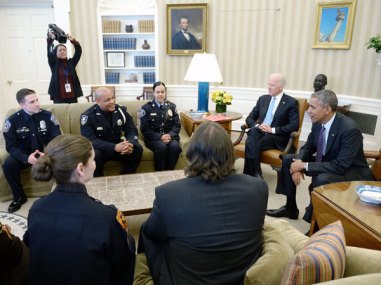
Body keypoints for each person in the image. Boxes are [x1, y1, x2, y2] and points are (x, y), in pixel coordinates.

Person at [137, 121, 268, 285]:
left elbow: (152, 233)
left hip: (185, 279)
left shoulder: (168, 194)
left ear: (191, 153)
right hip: (239, 277)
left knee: (145, 229)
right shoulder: (259, 187)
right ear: (229, 152)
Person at [24, 134, 136, 284]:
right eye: (93, 160)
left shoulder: (37, 208)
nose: (95, 164)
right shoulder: (107, 217)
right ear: (81, 169)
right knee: (129, 241)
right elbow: (121, 265)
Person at [266, 89, 374, 222]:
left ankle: (314, 221)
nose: (308, 110)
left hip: (351, 171)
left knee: (322, 178)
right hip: (329, 163)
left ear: (327, 109)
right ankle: (290, 208)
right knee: (289, 159)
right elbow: (308, 147)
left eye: (312, 107)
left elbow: (340, 166)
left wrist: (304, 165)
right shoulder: (317, 122)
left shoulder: (350, 129)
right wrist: (297, 164)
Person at [2, 88, 61, 213]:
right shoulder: (12, 121)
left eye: (37, 100)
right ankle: (19, 197)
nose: (37, 104)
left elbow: (56, 139)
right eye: (32, 102)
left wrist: (48, 153)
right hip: (23, 156)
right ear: (22, 105)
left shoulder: (47, 116)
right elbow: (11, 146)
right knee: (8, 164)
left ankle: (60, 194)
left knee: (62, 158)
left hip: (44, 154)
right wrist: (26, 158)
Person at [244, 73, 299, 178]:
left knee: (250, 141)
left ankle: (251, 175)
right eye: (268, 84)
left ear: (281, 87)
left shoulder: (291, 102)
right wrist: (257, 126)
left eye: (272, 85)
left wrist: (272, 130)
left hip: (276, 137)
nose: (268, 87)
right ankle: (256, 174)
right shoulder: (263, 99)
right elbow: (249, 118)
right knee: (254, 133)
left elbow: (294, 125)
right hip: (259, 132)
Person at [80, 87, 142, 176]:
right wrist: (114, 147)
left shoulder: (121, 110)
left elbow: (131, 130)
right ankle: (100, 182)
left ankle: (126, 176)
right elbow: (90, 140)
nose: (112, 101)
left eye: (113, 98)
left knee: (137, 148)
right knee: (95, 155)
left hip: (119, 147)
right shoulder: (88, 116)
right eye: (107, 100)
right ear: (97, 101)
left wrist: (130, 143)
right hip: (101, 149)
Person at [140, 81, 182, 171]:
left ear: (165, 92)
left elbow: (177, 125)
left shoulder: (172, 106)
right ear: (153, 93)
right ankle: (160, 173)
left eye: (162, 92)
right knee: (161, 147)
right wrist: (161, 137)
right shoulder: (146, 108)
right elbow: (144, 129)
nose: (160, 94)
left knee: (175, 148)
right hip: (154, 138)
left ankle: (170, 172)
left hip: (170, 136)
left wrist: (169, 135)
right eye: (157, 92)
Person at [47, 31, 83, 103]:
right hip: (59, 96)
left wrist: (73, 40)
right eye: (60, 50)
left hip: (72, 95)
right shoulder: (54, 63)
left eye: (64, 50)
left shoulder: (71, 63)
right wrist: (51, 39)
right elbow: (49, 52)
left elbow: (78, 51)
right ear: (55, 53)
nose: (62, 51)